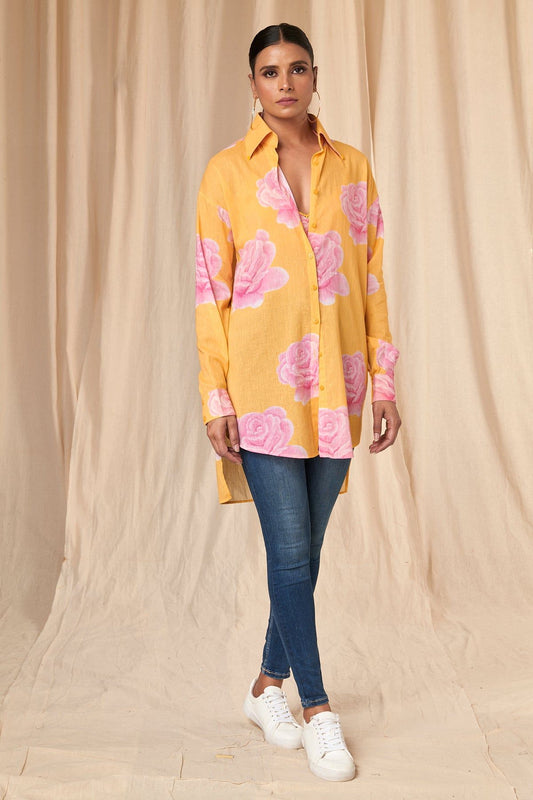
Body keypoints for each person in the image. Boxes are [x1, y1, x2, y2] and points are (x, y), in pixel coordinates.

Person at [195, 22, 401, 782]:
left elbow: (371, 282)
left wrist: (384, 381)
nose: (284, 83)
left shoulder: (352, 168)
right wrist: (215, 396)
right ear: (252, 84)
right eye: (269, 71)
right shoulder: (227, 173)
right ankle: (317, 709)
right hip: (261, 391)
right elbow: (209, 291)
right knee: (287, 552)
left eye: (297, 68)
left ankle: (263, 689)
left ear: (314, 77)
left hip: (338, 388)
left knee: (305, 554)